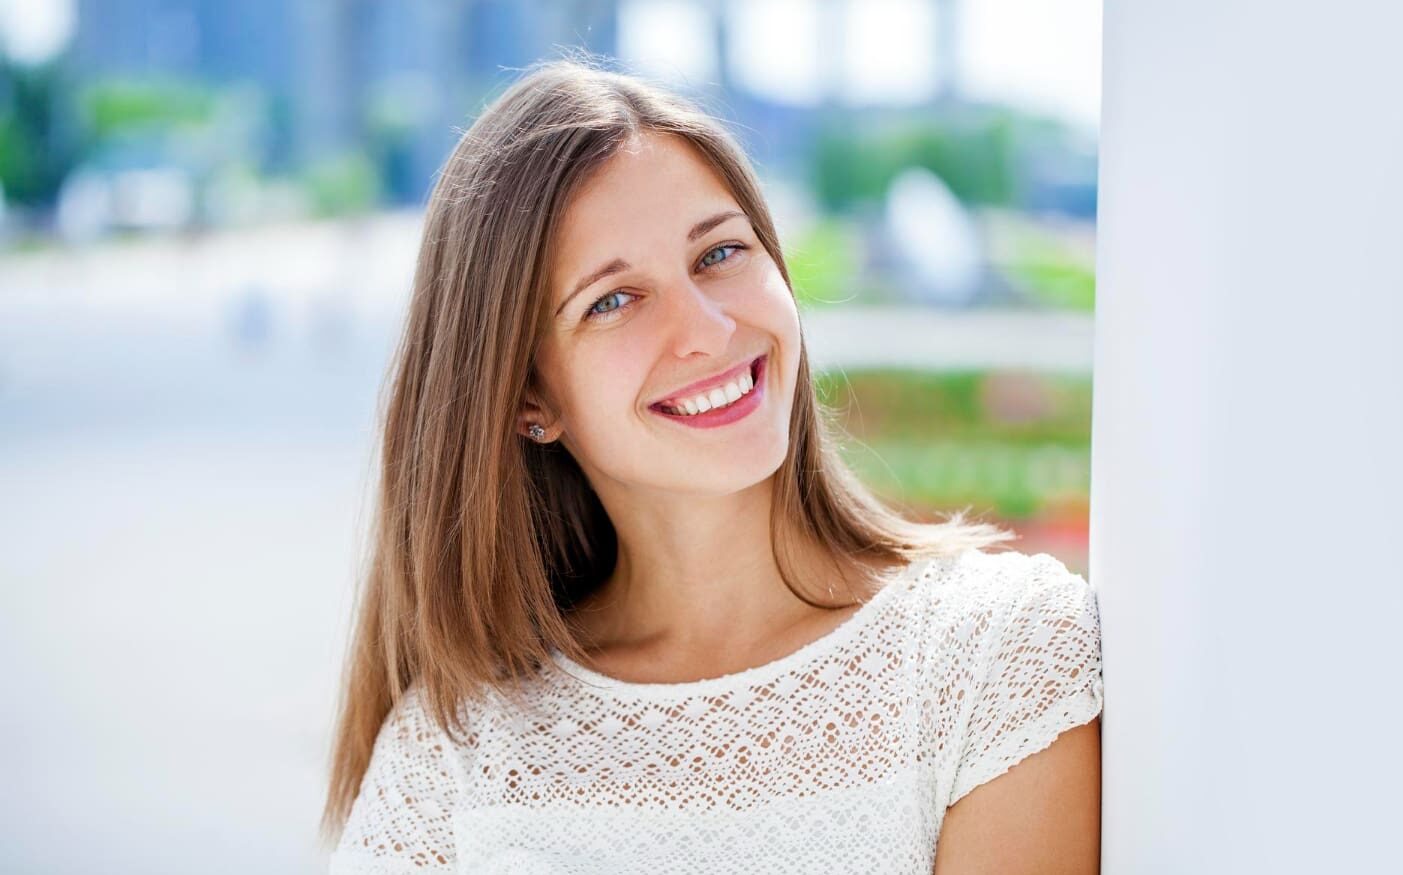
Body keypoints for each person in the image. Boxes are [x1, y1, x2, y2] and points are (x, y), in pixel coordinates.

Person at [322, 54, 1104, 874]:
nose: (706, 328)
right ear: (528, 397)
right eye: (613, 300)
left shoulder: (992, 652)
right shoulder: (454, 753)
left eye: (719, 254)